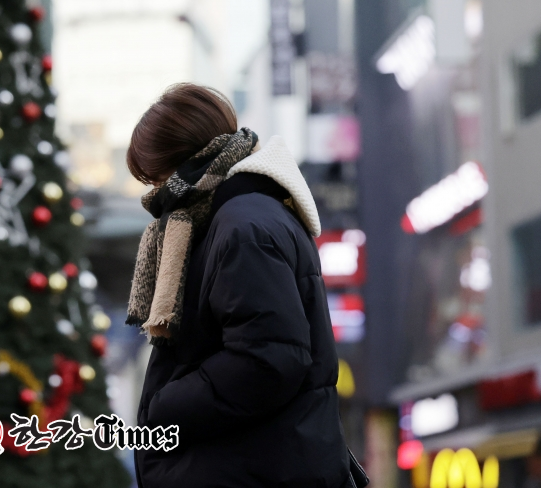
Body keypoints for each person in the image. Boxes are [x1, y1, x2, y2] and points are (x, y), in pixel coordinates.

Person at [126, 84, 363, 488]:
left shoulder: (242, 226)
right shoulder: (233, 217)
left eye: (155, 176)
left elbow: (268, 359)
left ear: (181, 161)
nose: (154, 191)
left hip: (255, 470)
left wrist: (164, 406)